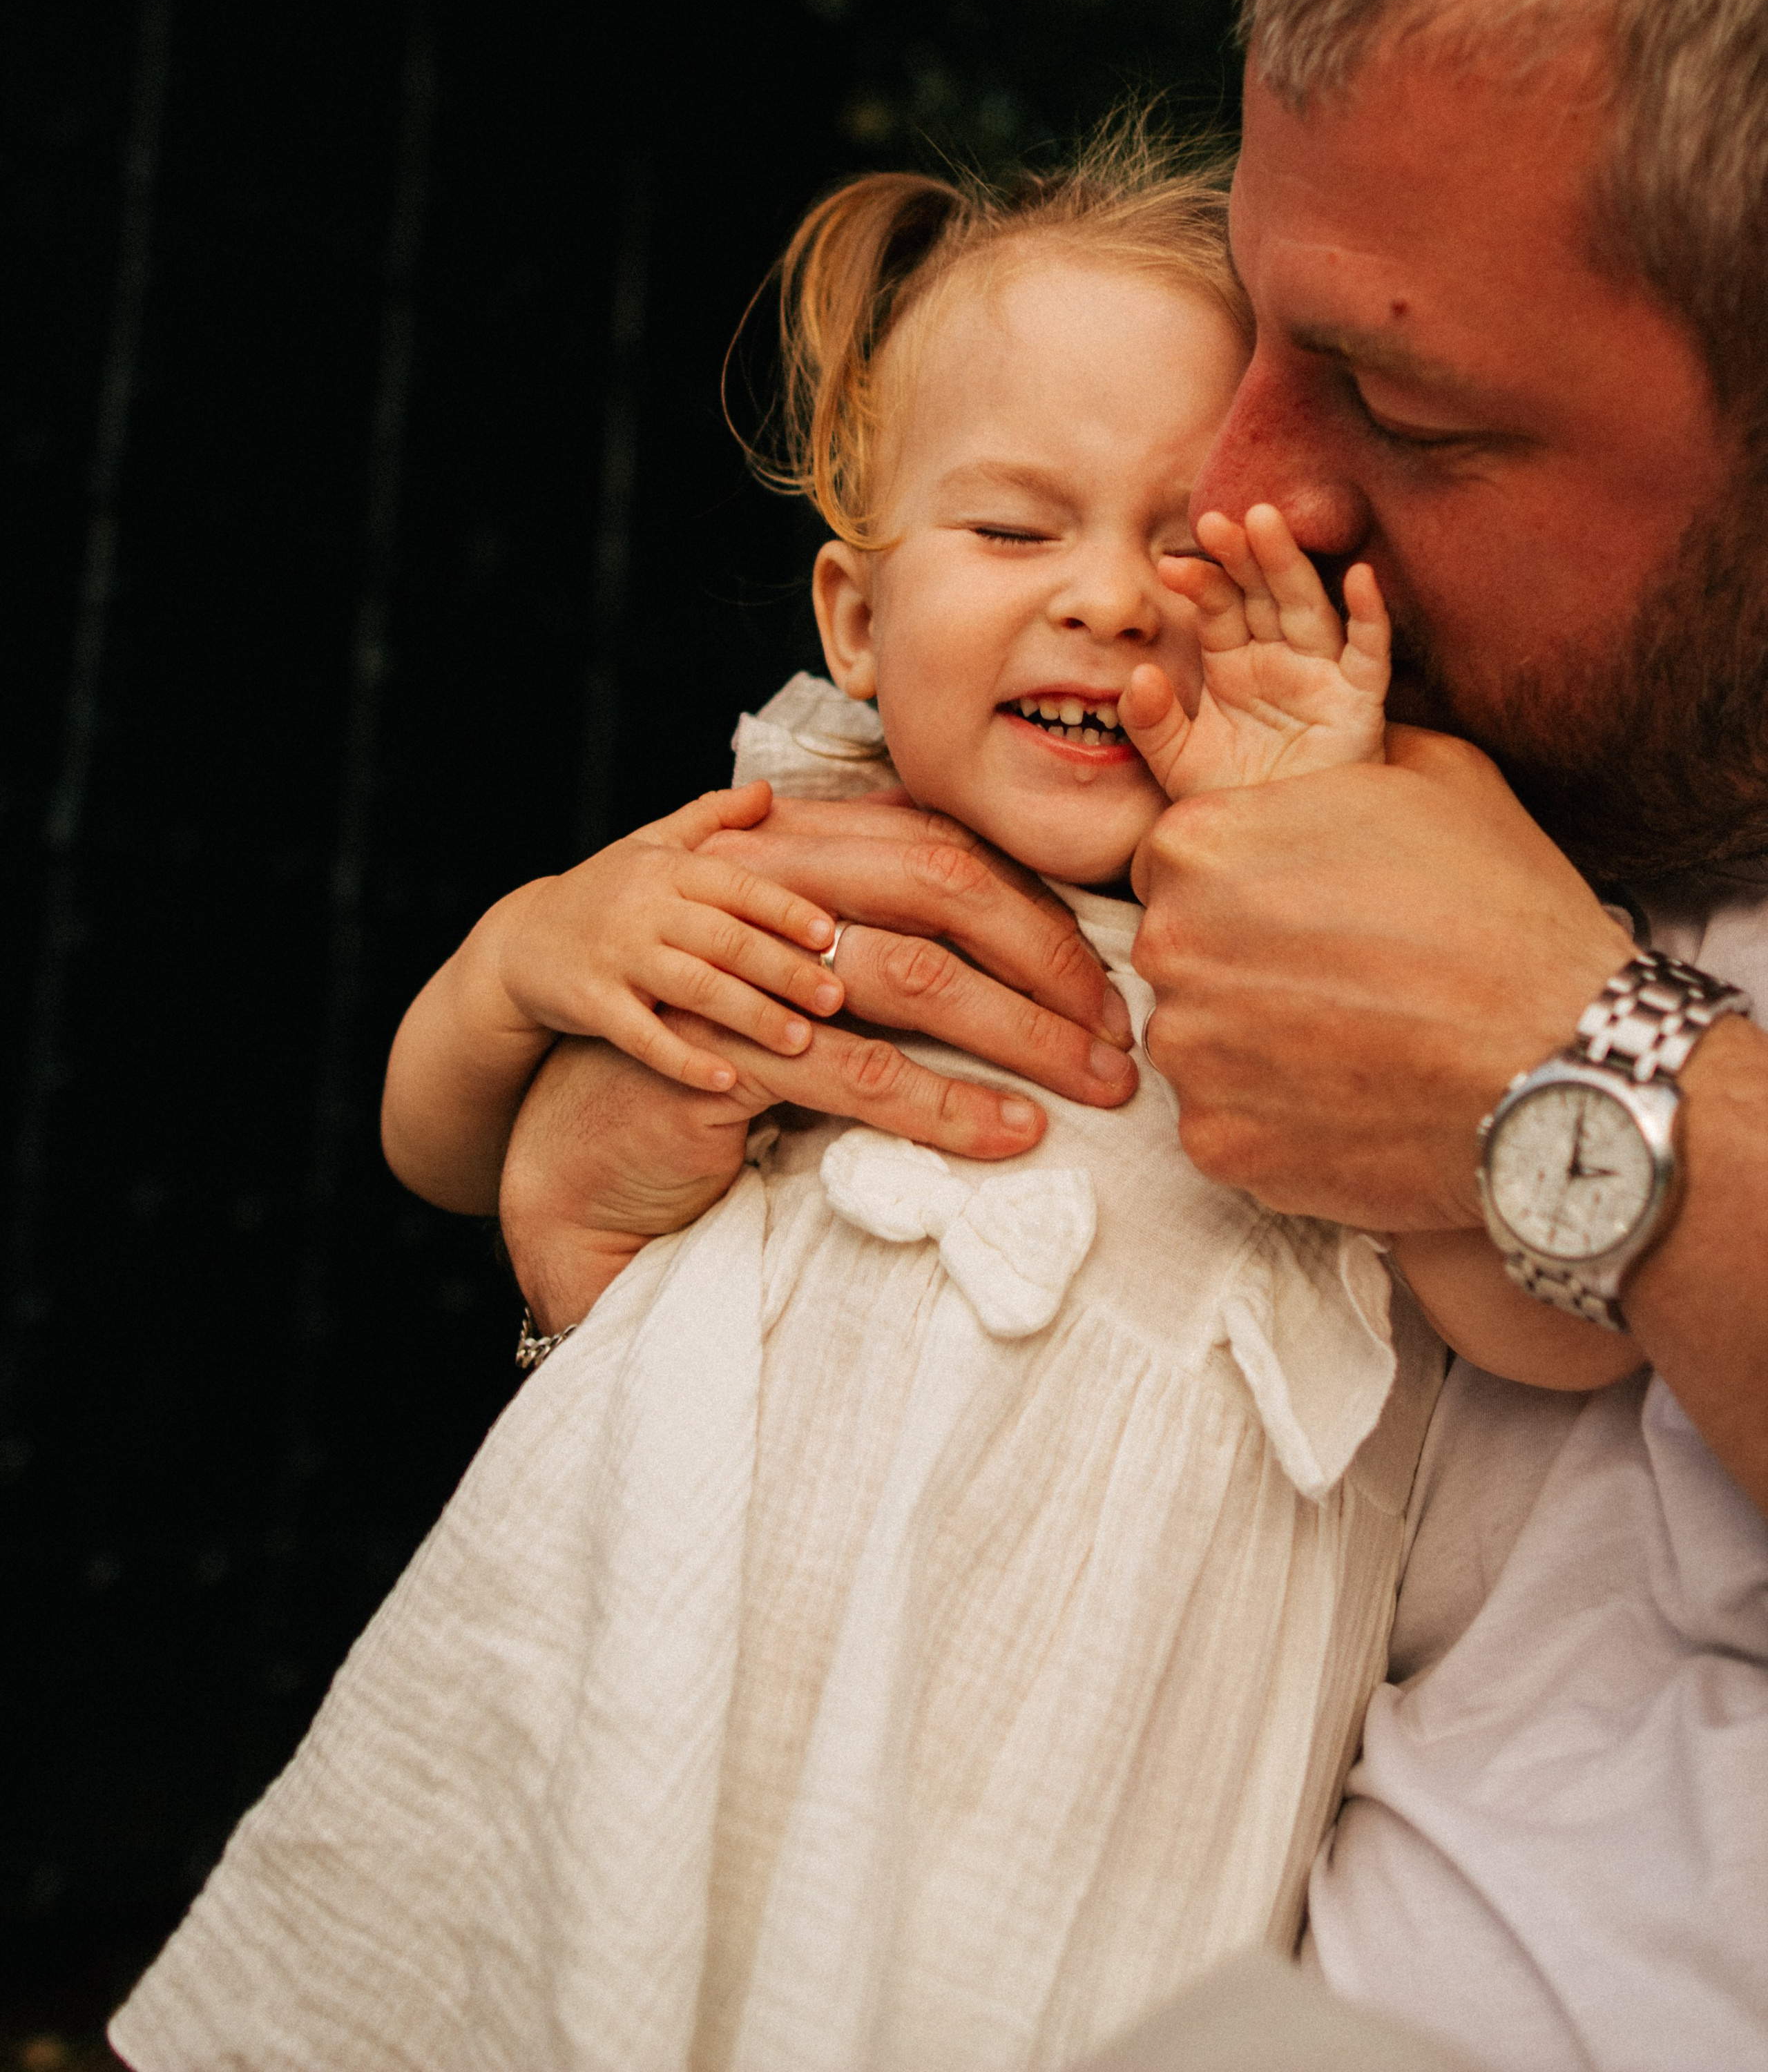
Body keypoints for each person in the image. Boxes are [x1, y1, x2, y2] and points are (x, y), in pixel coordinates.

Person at [384, 0, 1768, 2072]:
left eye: (1407, 405)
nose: (1243, 508)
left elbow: (1508, 1299)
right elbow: (506, 1147)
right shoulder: (1392, 754)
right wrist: (585, 1103)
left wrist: (1581, 1088)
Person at [115, 133, 1604, 2072]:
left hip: (1067, 1772)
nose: (1107, 601)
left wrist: (1316, 833)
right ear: (853, 619)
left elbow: (1543, 1329)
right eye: (1012, 532)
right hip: (649, 1652)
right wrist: (523, 960)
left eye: (1191, 546)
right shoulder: (786, 827)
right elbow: (442, 1139)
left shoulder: (1355, 913)